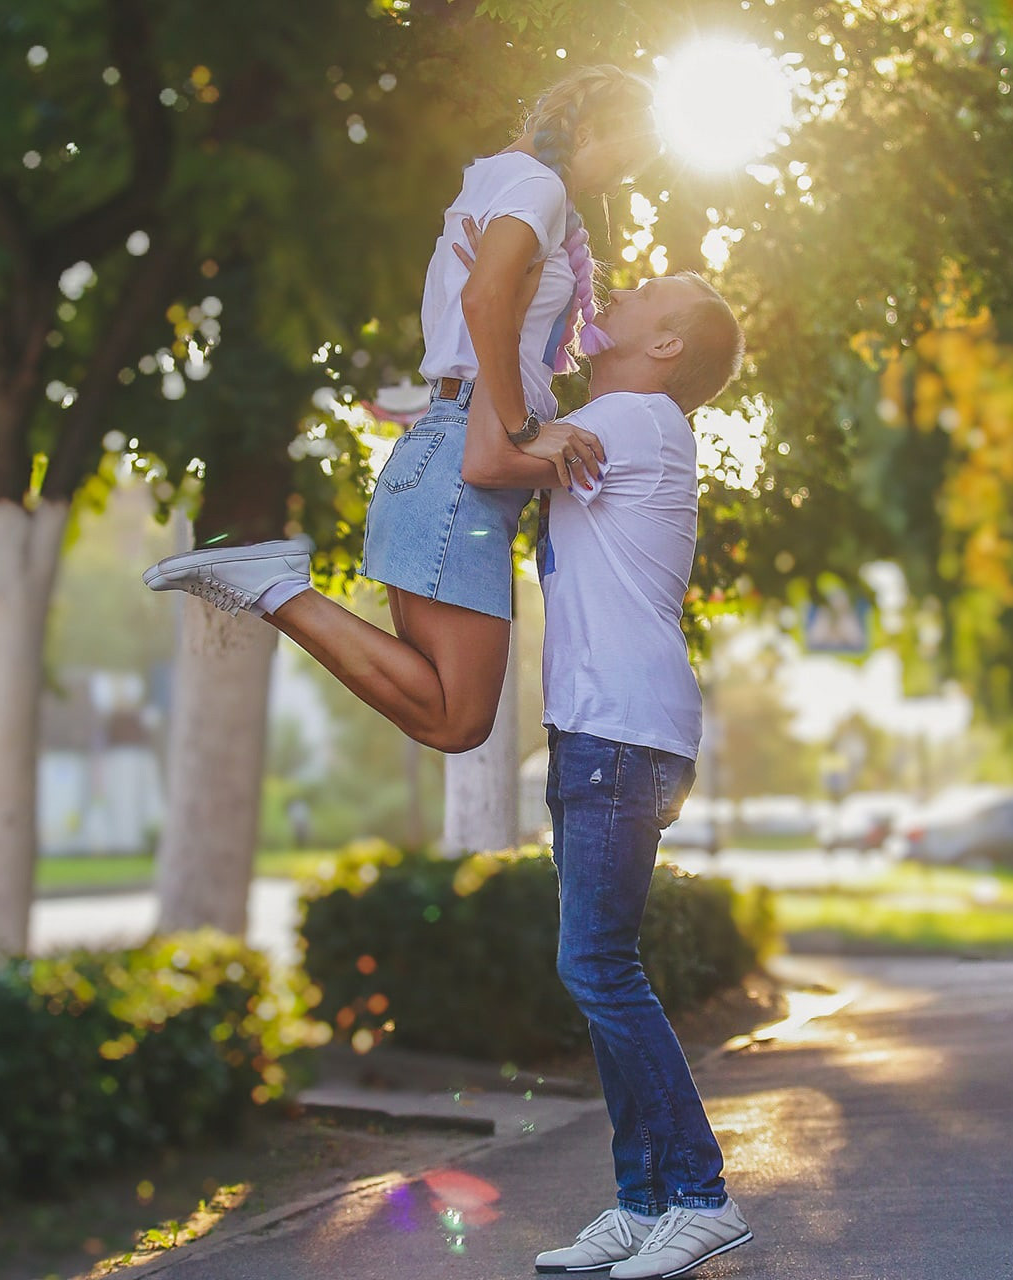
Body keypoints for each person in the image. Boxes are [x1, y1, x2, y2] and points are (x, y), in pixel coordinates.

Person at [143, 66, 659, 754]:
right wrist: (526, 427)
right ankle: (267, 583)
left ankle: (266, 584)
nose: (609, 185)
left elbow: (471, 316)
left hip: (441, 454)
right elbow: (483, 304)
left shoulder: (498, 178)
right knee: (458, 719)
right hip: (457, 468)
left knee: (447, 712)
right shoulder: (539, 185)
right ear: (592, 129)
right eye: (618, 163)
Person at [461, 271, 751, 1279]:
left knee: (596, 965)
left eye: (646, 293)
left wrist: (484, 318)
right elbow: (517, 422)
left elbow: (489, 454)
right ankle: (641, 1198)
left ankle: (699, 1193)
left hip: (618, 729)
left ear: (665, 346)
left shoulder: (633, 415)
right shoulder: (626, 418)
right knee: (600, 965)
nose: (618, 291)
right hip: (610, 725)